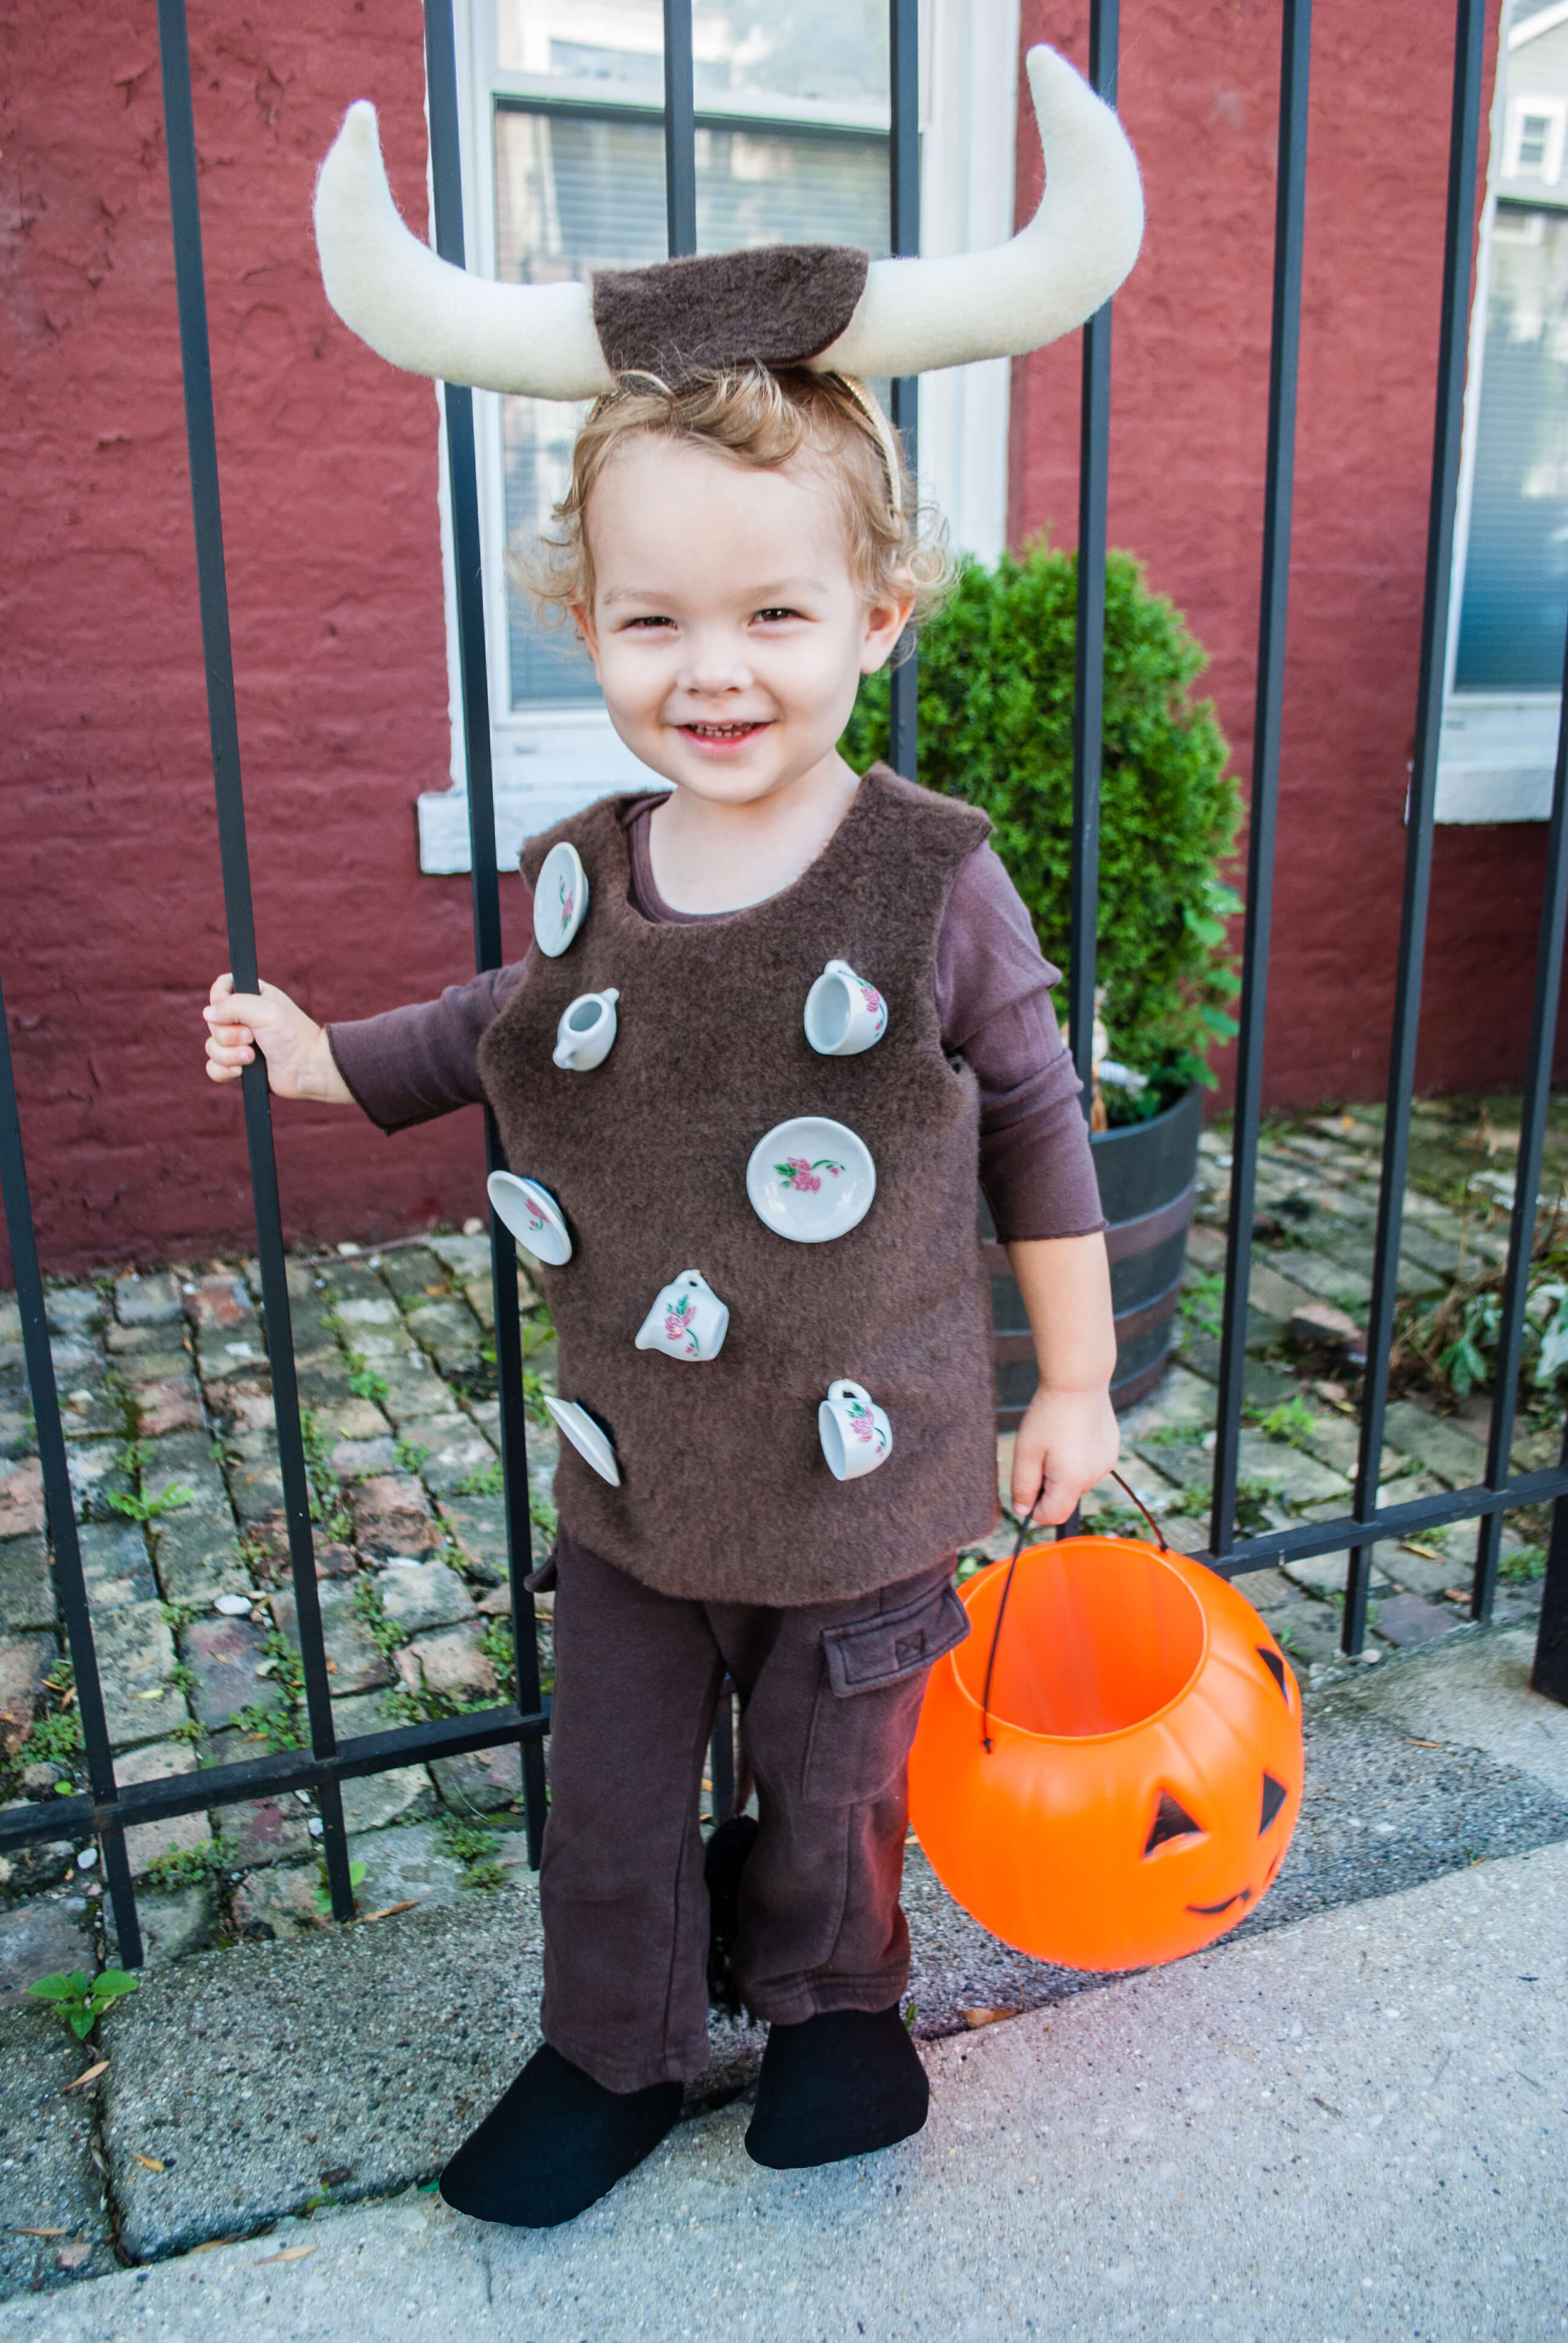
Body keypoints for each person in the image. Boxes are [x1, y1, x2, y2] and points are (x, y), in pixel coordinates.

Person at [200, 48, 1142, 2229]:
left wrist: (1075, 1381)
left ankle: (830, 2011)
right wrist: (320, 1049)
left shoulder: (930, 880)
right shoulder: (593, 870)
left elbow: (1035, 1119)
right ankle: (612, 2042)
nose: (710, 672)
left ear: (877, 618)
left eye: (772, 615)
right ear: (587, 624)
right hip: (634, 1465)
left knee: (835, 1778)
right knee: (614, 1794)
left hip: (872, 1467)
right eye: (652, 621)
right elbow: (494, 1031)